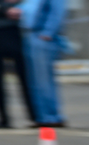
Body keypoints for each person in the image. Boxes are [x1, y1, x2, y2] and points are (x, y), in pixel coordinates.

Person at [0, 0, 35, 128]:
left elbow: (18, 12)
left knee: (24, 78)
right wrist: (5, 10)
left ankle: (33, 116)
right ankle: (3, 118)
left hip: (13, 33)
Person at [17, 0, 67, 128]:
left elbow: (57, 13)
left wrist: (47, 33)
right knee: (35, 81)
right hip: (31, 35)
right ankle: (42, 116)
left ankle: (51, 116)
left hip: (42, 37)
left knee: (43, 80)